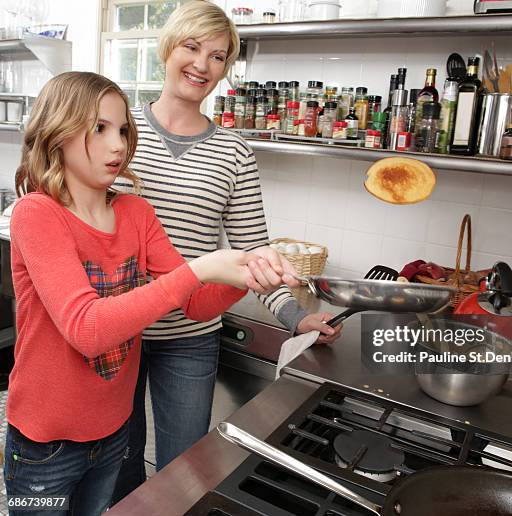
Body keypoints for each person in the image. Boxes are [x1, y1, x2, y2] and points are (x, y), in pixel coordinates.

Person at [3, 71, 296, 516]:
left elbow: (195, 303)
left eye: (123, 129)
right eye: (98, 128)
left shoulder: (136, 212)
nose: (118, 145)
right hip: (46, 446)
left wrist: (244, 277)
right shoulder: (38, 214)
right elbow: (87, 329)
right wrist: (201, 267)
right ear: (57, 132)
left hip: (113, 434)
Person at [111, 0, 343, 501]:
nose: (201, 64)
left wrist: (295, 318)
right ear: (167, 48)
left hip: (191, 335)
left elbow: (253, 251)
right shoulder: (117, 132)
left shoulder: (234, 152)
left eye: (218, 56)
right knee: (119, 460)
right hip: (120, 330)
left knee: (185, 466)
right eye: (192, 47)